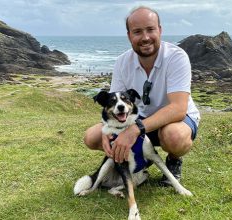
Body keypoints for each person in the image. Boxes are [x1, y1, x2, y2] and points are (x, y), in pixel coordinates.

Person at [83, 6, 200, 186]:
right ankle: (142, 159)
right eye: (137, 31)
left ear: (159, 30)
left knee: (173, 136)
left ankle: (174, 160)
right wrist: (107, 129)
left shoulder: (176, 57)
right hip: (139, 119)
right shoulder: (122, 62)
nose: (145, 37)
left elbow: (178, 109)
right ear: (129, 35)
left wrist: (135, 129)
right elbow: (115, 105)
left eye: (150, 29)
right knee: (92, 136)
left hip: (176, 120)